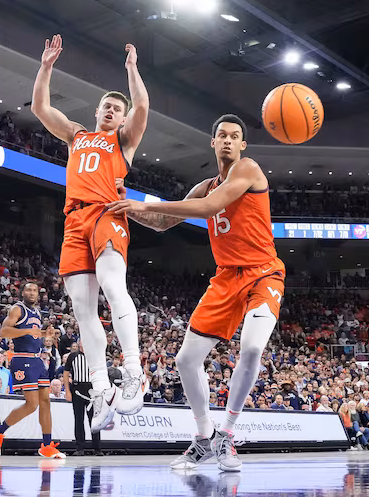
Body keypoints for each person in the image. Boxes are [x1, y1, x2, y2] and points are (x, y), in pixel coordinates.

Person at [109, 114, 282, 472]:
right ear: (213, 143)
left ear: (243, 145)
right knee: (186, 361)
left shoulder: (248, 168)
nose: (229, 141)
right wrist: (130, 205)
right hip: (225, 279)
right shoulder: (204, 185)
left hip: (263, 272)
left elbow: (208, 209)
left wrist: (145, 203)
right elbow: (161, 223)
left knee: (251, 347)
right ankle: (204, 438)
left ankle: (227, 434)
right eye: (222, 135)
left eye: (235, 136)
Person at [31, 35, 150, 429]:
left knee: (114, 289)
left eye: (118, 108)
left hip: (106, 214)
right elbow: (41, 107)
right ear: (97, 110)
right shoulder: (77, 135)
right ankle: (102, 389)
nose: (112, 110)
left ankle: (134, 372)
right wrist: (46, 66)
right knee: (83, 311)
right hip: (73, 221)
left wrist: (132, 69)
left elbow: (143, 106)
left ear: (122, 117)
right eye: (107, 105)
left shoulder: (123, 140)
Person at [0, 282, 63, 458]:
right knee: (31, 404)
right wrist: (29, 330)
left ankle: (46, 445)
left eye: (35, 290)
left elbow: (32, 335)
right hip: (22, 359)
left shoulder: (36, 312)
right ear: (22, 292)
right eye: (28, 289)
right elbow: (4, 332)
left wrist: (44, 335)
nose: (32, 293)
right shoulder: (17, 309)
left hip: (37, 359)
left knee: (45, 402)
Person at [63, 340, 101, 456]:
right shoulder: (73, 356)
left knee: (94, 420)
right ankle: (80, 448)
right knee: (79, 419)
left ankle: (97, 448)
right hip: (78, 388)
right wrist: (67, 391)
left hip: (91, 389)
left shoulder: (95, 356)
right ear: (79, 344)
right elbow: (65, 373)